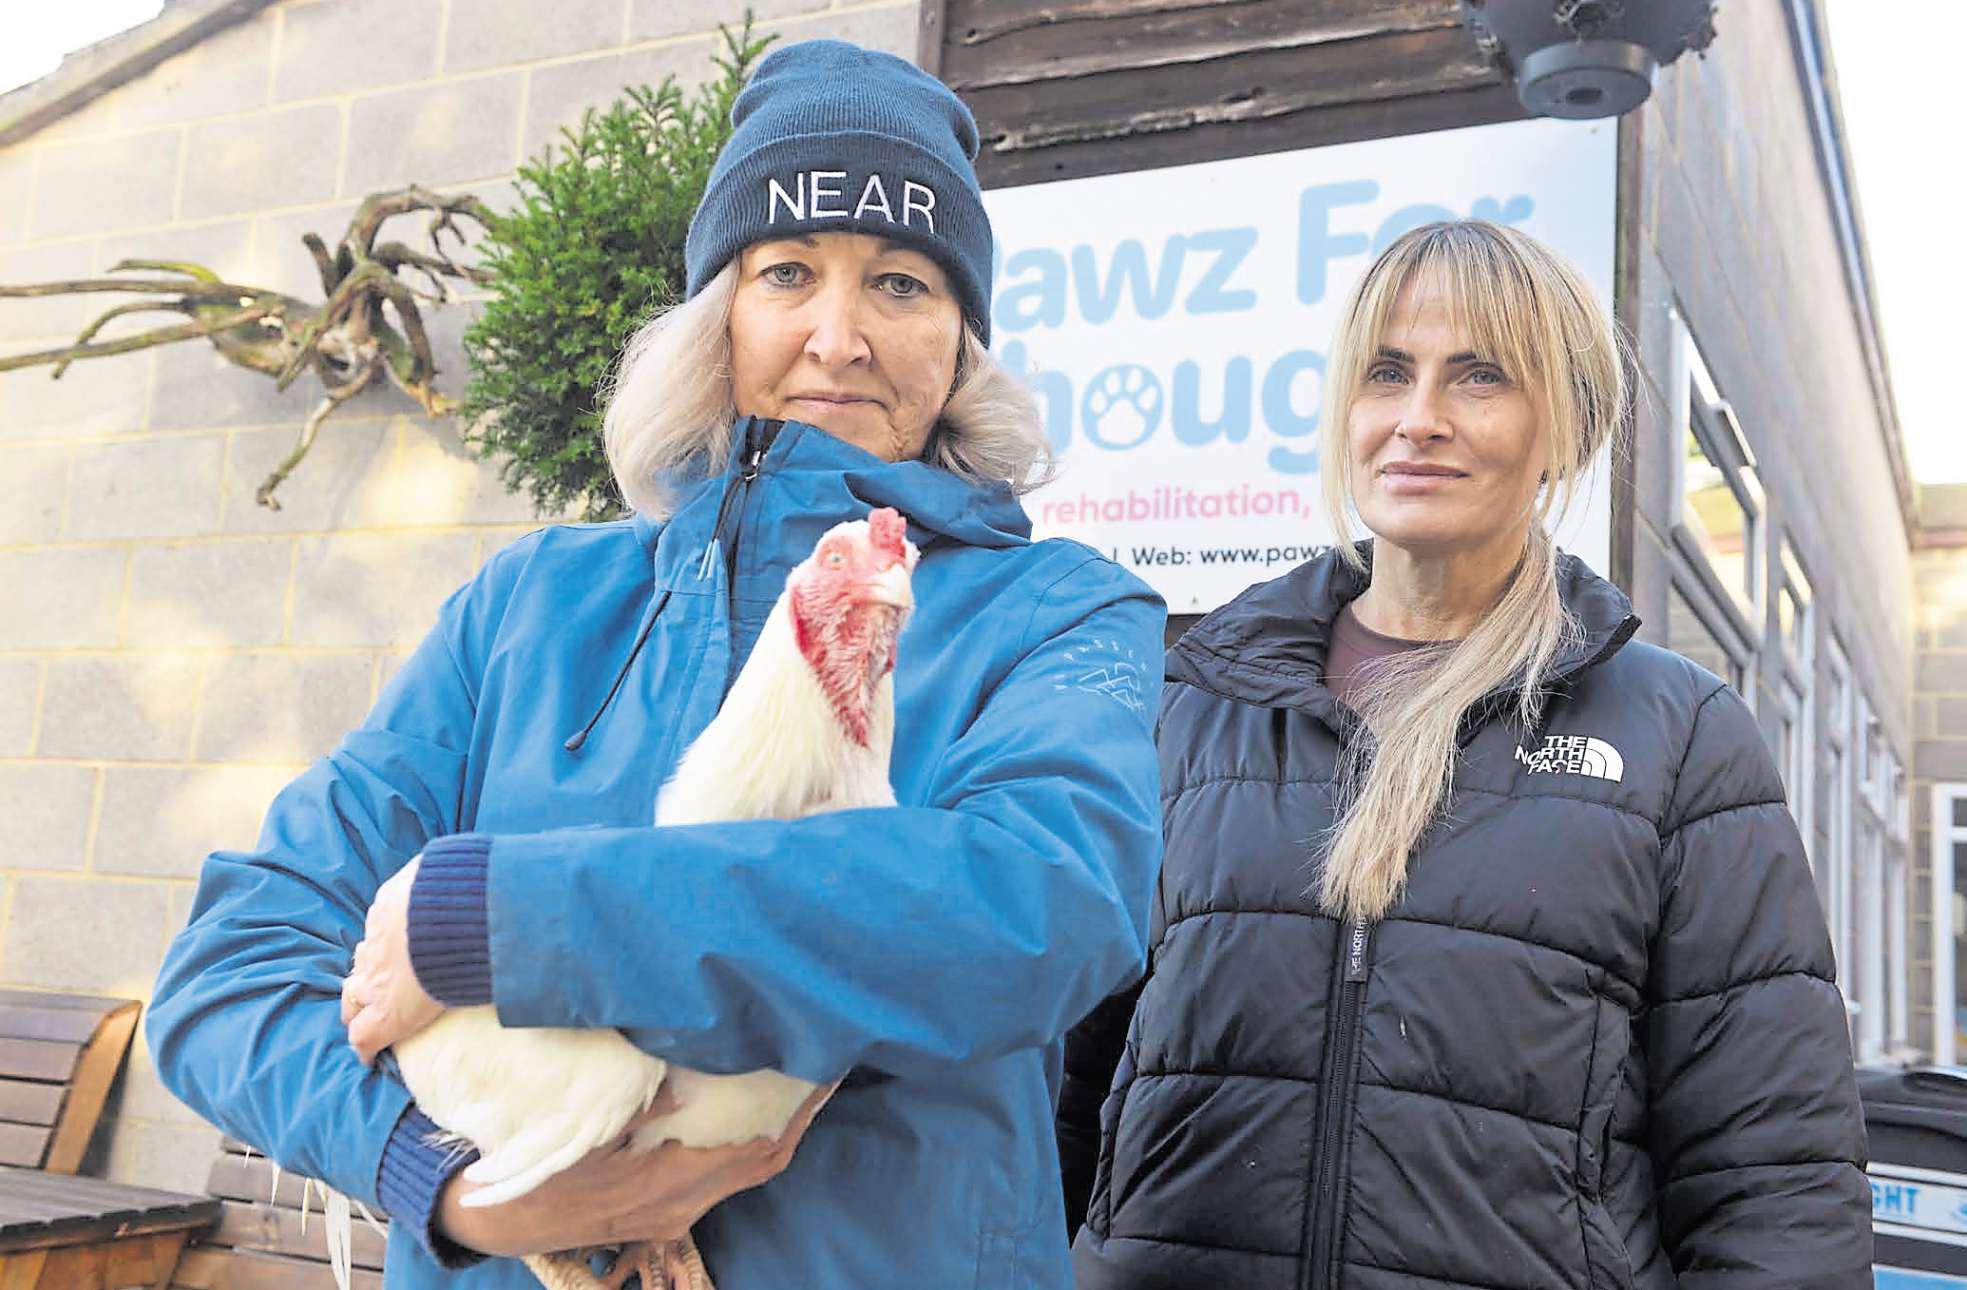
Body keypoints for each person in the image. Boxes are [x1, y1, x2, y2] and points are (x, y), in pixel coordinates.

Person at [148, 40, 1164, 1289]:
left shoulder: (1054, 611)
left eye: (901, 284)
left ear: (961, 341)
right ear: (716, 313)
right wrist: (452, 1187)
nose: (837, 336)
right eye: (786, 271)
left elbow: (1045, 902)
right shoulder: (530, 606)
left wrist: (502, 922)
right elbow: (233, 960)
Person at [1057, 221, 1872, 1289]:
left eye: (1477, 377)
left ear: (1565, 430)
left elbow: (1773, 1182)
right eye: (1385, 372)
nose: (1418, 419)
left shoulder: (1674, 737)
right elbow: (1060, 1094)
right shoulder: (1193, 704)